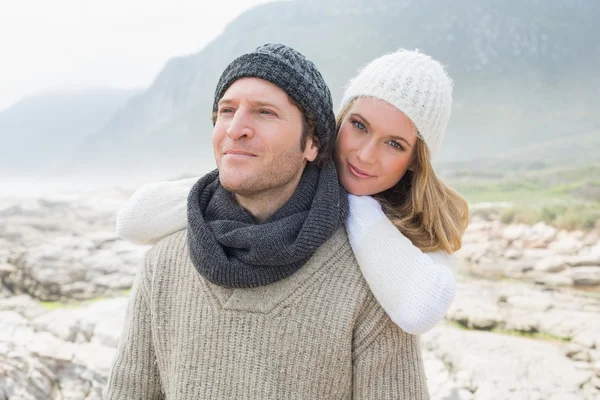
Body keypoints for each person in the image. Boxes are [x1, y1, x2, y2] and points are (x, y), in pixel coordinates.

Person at [104, 43, 430, 399]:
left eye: (264, 113)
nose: (236, 129)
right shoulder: (163, 265)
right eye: (227, 111)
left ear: (312, 144)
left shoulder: (370, 279)